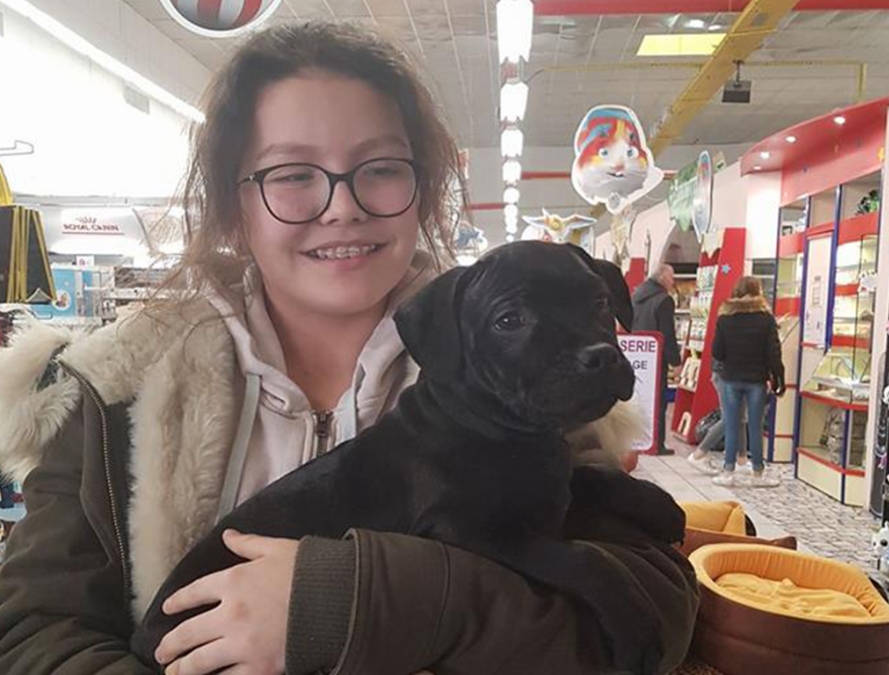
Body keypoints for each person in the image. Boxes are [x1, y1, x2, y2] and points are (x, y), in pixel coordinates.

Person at [0, 22, 698, 675]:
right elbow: (34, 631)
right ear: (235, 204)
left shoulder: (520, 374)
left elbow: (650, 617)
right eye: (292, 174)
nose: (343, 206)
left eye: (381, 167)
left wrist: (373, 599)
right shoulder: (110, 390)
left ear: (424, 188)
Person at [711, 277, 785, 488]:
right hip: (756, 380)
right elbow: (773, 352)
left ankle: (728, 472)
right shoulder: (766, 319)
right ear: (758, 292)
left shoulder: (725, 318)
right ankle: (758, 473)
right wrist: (779, 378)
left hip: (730, 378)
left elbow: (717, 351)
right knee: (755, 426)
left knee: (732, 424)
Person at [632, 262, 682, 455]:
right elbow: (667, 333)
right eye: (671, 277)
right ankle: (657, 443)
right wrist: (676, 362)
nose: (673, 281)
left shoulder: (637, 295)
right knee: (658, 401)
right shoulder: (664, 300)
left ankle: (638, 439)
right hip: (657, 357)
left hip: (639, 354)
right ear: (662, 277)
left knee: (640, 398)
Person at [686, 360, 750, 475]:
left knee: (739, 418)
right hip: (730, 375)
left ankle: (741, 460)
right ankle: (698, 455)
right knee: (730, 418)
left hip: (731, 374)